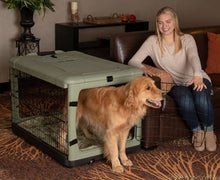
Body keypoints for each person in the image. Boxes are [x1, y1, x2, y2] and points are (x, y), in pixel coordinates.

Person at [128, 6, 217, 152]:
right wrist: (146, 69)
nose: (164, 26)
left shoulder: (187, 39)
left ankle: (209, 132)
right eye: (160, 22)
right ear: (157, 24)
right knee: (185, 102)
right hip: (175, 83)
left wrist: (198, 75)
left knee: (201, 98)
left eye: (168, 21)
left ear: (175, 22)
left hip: (196, 77)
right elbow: (133, 61)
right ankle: (197, 133)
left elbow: (194, 57)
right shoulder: (152, 41)